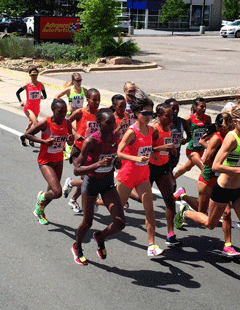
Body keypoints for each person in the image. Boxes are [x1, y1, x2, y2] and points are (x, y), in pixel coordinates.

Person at [174, 106, 240, 255]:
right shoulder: (230, 138)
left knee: (227, 214)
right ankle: (186, 213)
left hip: (238, 188)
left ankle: (228, 245)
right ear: (236, 122)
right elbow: (215, 165)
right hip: (223, 187)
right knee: (210, 223)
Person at [71, 108, 125, 265]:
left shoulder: (116, 136)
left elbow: (117, 161)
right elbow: (76, 169)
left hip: (107, 183)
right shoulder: (91, 141)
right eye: (108, 122)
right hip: (92, 183)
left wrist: (117, 162)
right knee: (88, 222)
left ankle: (100, 236)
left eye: (113, 122)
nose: (112, 125)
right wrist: (98, 164)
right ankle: (77, 246)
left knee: (120, 222)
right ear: (98, 124)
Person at [116, 89, 165, 257]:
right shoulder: (131, 132)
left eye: (151, 113)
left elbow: (147, 149)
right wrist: (136, 159)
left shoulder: (151, 131)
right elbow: (119, 153)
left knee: (149, 211)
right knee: (116, 208)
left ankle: (151, 245)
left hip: (143, 176)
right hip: (128, 175)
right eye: (145, 113)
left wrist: (153, 157)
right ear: (136, 113)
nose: (149, 116)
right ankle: (95, 201)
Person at [24, 98, 74, 225]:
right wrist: (43, 142)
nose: (63, 114)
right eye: (60, 111)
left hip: (58, 160)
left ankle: (40, 210)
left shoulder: (66, 123)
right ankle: (41, 198)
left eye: (64, 111)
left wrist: (70, 141)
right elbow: (27, 135)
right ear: (53, 110)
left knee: (51, 192)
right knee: (57, 192)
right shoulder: (45, 123)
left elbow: (69, 141)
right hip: (45, 161)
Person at [148, 102, 182, 246]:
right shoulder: (154, 129)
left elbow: (166, 146)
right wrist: (164, 147)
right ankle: (125, 190)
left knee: (169, 201)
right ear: (159, 115)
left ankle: (170, 235)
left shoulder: (168, 127)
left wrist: (171, 150)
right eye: (168, 115)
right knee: (140, 199)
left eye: (172, 115)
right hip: (150, 168)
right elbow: (147, 148)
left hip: (163, 168)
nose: (171, 117)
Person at [62, 88, 100, 213]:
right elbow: (66, 122)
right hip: (79, 151)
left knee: (87, 180)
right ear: (87, 100)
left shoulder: (100, 114)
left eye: (99, 99)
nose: (97, 102)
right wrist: (74, 133)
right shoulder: (80, 112)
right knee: (87, 179)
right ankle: (72, 185)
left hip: (92, 152)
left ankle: (72, 193)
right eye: (94, 99)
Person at [174, 97, 211, 180]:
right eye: (201, 106)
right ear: (195, 107)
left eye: (205, 106)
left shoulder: (208, 119)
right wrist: (183, 139)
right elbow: (178, 130)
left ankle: (172, 179)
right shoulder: (189, 119)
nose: (204, 108)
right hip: (191, 150)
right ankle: (206, 189)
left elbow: (210, 133)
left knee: (187, 168)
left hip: (201, 149)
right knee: (204, 168)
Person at [54, 73, 87, 159]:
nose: (79, 82)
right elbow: (56, 96)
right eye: (77, 81)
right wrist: (63, 106)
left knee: (78, 131)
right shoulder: (70, 90)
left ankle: (70, 148)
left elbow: (90, 98)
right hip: (71, 115)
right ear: (73, 81)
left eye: (80, 80)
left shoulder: (84, 90)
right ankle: (69, 148)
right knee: (75, 130)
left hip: (80, 115)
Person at [16, 67, 47, 147]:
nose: (34, 76)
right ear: (29, 75)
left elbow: (45, 96)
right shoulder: (27, 85)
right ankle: (30, 137)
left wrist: (41, 97)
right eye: (32, 75)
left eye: (35, 74)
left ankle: (24, 137)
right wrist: (20, 101)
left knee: (30, 124)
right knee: (35, 122)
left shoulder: (41, 85)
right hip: (28, 108)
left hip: (36, 108)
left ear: (37, 75)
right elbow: (17, 93)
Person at [168, 98, 191, 191]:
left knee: (167, 175)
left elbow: (189, 136)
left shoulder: (182, 122)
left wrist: (184, 140)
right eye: (173, 108)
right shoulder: (164, 122)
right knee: (171, 182)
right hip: (164, 155)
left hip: (175, 154)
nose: (176, 111)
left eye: (177, 108)